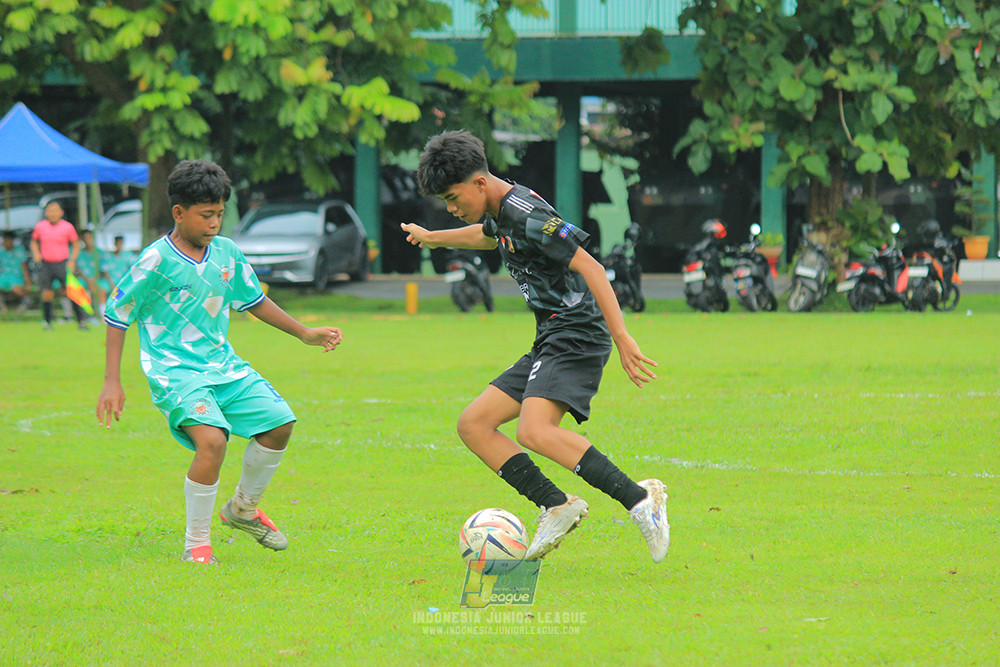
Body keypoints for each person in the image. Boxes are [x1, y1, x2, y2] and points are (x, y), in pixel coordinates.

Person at [400, 130, 670, 563]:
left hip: (576, 330)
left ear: (480, 183)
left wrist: (622, 337)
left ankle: (641, 500)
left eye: (453, 198)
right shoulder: (498, 210)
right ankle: (556, 503)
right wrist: (435, 237)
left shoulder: (526, 212)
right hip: (552, 333)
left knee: (534, 430)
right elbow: (487, 237)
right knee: (474, 424)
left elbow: (592, 266)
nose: (452, 209)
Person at [96, 159, 344, 565]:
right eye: (206, 214)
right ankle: (197, 543)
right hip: (174, 371)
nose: (215, 223)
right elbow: (117, 313)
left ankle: (243, 508)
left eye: (220, 214)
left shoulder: (226, 253)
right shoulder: (155, 261)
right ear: (179, 213)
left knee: (280, 423)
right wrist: (112, 380)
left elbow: (255, 301)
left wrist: (304, 333)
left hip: (222, 366)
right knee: (212, 441)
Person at [30, 201, 89, 330]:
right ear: (46, 213)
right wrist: (36, 253)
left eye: (55, 210)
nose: (52, 213)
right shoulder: (40, 227)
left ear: (61, 212)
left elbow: (76, 244)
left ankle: (81, 321)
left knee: (71, 291)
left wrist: (72, 259)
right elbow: (34, 242)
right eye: (50, 211)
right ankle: (47, 321)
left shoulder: (67, 227)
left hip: (63, 263)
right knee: (47, 293)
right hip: (46, 264)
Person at [74, 228, 110, 320]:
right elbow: (76, 269)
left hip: (97, 279)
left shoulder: (100, 253)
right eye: (85, 238)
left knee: (100, 289)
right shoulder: (79, 254)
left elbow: (103, 269)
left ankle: (103, 315)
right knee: (80, 288)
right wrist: (87, 279)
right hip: (83, 279)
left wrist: (93, 279)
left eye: (89, 237)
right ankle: (86, 315)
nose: (87, 240)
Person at [0, 231, 32, 314]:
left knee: (17, 289)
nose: (6, 243)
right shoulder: (1, 252)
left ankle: (25, 304)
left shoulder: (19, 251)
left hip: (16, 278)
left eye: (8, 240)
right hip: (4, 277)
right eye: (4, 240)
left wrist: (28, 282)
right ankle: (3, 308)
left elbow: (24, 267)